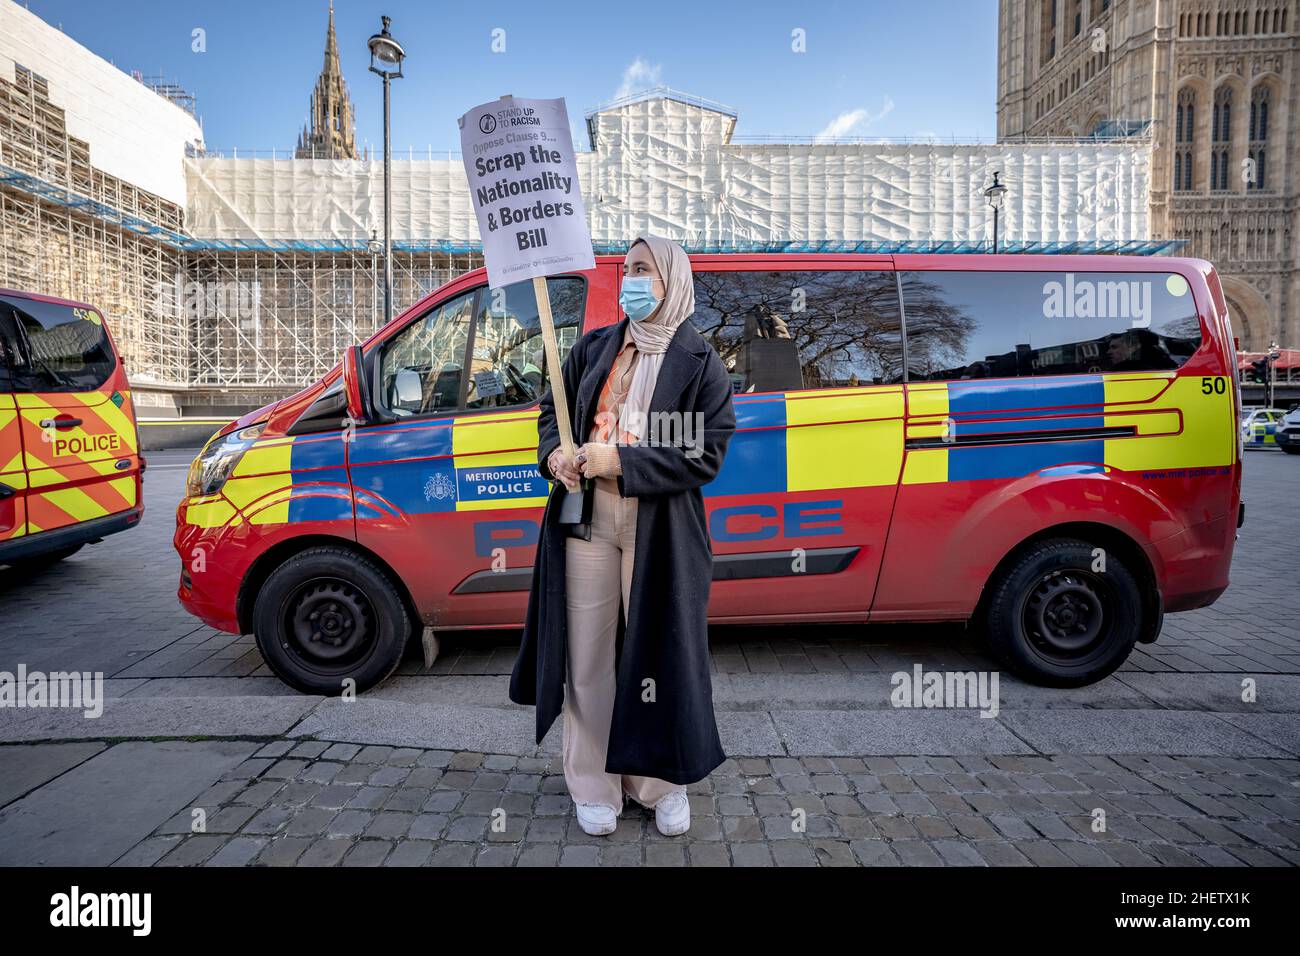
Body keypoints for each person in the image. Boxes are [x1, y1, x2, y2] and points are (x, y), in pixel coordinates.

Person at [508, 235, 737, 837]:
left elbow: (701, 454)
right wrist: (554, 452)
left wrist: (620, 462)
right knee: (587, 653)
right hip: (585, 519)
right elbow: (548, 417)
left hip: (659, 526)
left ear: (671, 280)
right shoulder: (594, 348)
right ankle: (594, 785)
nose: (632, 278)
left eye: (644, 269)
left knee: (659, 651)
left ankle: (659, 783)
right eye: (627, 268)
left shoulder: (700, 362)